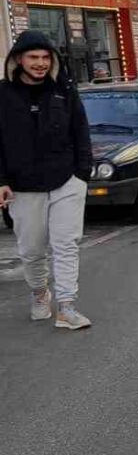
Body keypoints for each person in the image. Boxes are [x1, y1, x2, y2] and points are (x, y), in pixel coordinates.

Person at [0, 31, 93, 329]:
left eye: (45, 58)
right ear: (18, 60)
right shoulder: (2, 94)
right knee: (32, 250)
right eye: (33, 57)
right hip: (23, 185)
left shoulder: (64, 90)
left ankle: (67, 307)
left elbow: (81, 130)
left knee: (66, 244)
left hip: (66, 179)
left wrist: (82, 174)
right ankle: (41, 293)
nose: (40, 63)